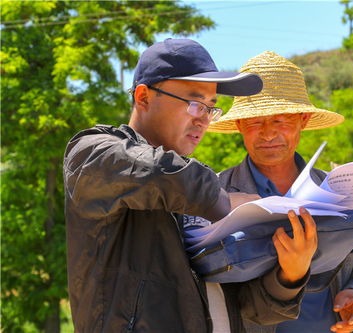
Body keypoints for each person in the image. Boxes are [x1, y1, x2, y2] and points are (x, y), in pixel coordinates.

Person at [63, 38, 317, 333]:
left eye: (211, 108)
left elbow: (248, 309)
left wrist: (291, 274)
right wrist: (226, 202)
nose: (204, 121)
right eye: (195, 104)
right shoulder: (90, 152)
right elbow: (158, 172)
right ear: (144, 97)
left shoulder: (190, 191)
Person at [207, 51, 353, 333]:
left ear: (302, 120)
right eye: (255, 122)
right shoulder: (215, 195)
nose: (268, 133)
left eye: (281, 120)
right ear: (239, 125)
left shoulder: (341, 190)